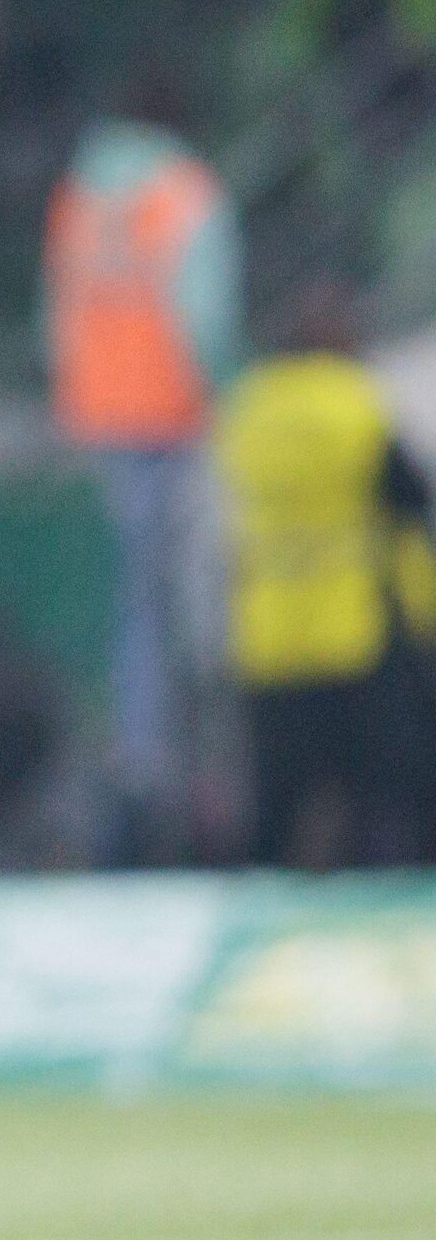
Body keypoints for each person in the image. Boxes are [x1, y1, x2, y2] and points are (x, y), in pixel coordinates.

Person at [43, 93, 241, 863]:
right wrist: (223, 394)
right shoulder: (187, 193)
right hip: (172, 417)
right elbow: (207, 316)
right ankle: (176, 761)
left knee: (125, 602)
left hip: (95, 416)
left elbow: (55, 309)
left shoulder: (80, 195)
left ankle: (134, 752)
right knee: (180, 599)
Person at [215, 281, 436, 867]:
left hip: (270, 636)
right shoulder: (354, 403)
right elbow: (410, 498)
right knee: (390, 787)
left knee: (281, 801)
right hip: (354, 629)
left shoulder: (247, 410)